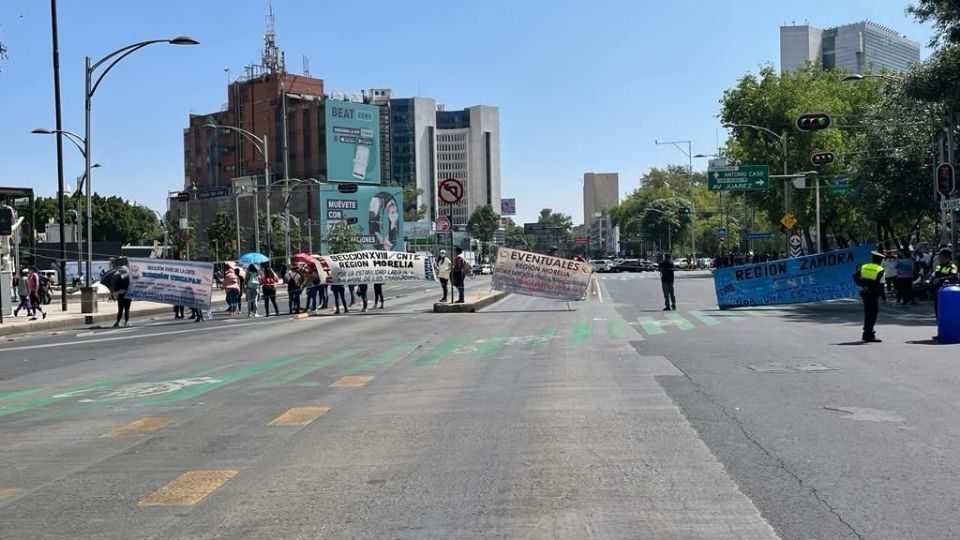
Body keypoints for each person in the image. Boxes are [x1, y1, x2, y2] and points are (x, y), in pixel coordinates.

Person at [853, 250, 885, 343]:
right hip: (873, 293)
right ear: (879, 260)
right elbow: (880, 285)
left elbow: (855, 276)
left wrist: (863, 285)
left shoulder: (865, 266)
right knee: (873, 314)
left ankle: (867, 334)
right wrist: (883, 297)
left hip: (865, 293)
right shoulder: (880, 269)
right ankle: (869, 334)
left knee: (868, 314)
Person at [929, 248, 959, 340]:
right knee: (939, 313)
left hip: (948, 294)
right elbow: (934, 275)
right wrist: (930, 280)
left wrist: (940, 279)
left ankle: (952, 331)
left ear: (946, 257)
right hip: (938, 292)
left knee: (948, 313)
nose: (939, 258)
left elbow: (954, 276)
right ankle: (941, 332)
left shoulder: (952, 266)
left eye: (941, 256)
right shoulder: (938, 266)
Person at [111, 263, 131, 327]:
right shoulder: (129, 277)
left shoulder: (118, 277)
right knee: (127, 309)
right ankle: (126, 321)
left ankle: (118, 322)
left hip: (120, 295)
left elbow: (115, 287)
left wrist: (115, 291)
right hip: (127, 294)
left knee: (120, 309)